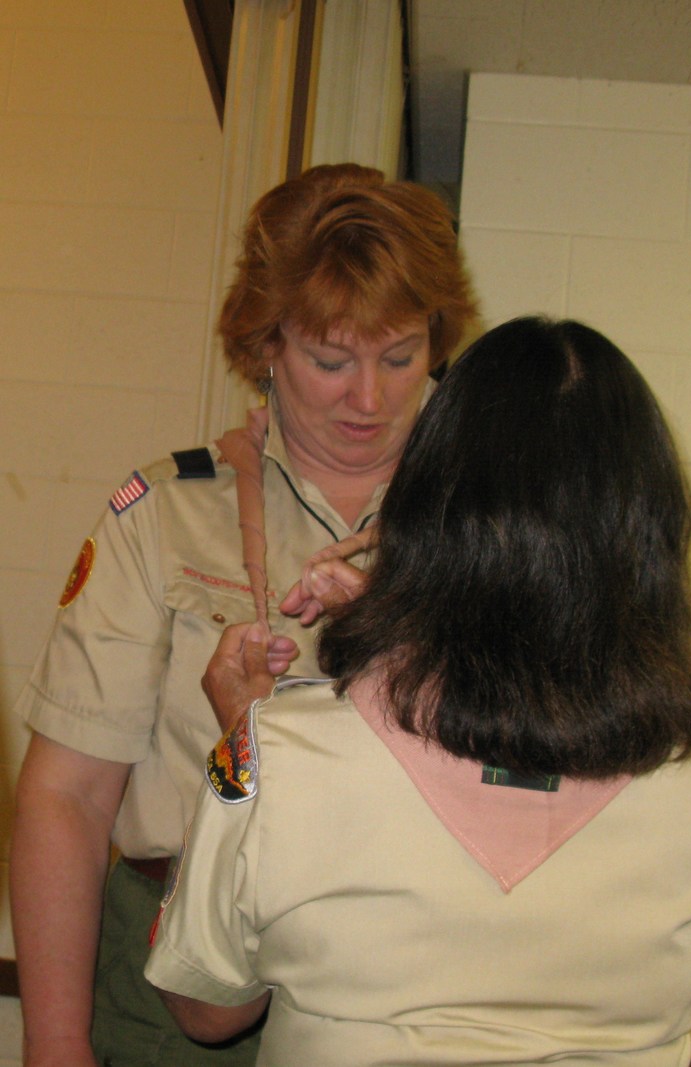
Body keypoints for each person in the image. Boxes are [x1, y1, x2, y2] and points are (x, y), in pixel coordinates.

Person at [145, 316, 691, 1067]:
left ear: (427, 504)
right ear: (652, 526)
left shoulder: (283, 750)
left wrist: (241, 742)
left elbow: (207, 1008)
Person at [10, 162, 478, 1067]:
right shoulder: (169, 515)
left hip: (397, 985)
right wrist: (56, 1043)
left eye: (399, 357)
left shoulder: (482, 533)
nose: (369, 399)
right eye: (331, 361)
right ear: (266, 344)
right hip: (174, 968)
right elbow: (67, 796)